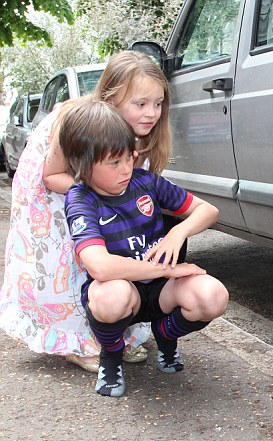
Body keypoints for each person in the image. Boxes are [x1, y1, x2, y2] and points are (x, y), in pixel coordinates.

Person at [0, 51, 172, 373]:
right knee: (70, 267)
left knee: (116, 256)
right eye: (140, 104)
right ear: (111, 97)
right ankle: (78, 342)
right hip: (56, 193)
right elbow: (51, 176)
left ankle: (118, 333)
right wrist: (104, 192)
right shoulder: (79, 119)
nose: (151, 113)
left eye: (158, 103)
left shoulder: (143, 131)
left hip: (102, 190)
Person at [63, 99, 228, 397]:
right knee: (109, 297)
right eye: (114, 163)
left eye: (129, 157)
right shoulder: (80, 199)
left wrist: (177, 232)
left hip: (162, 290)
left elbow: (209, 211)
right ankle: (111, 355)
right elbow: (99, 266)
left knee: (214, 296)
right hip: (124, 291)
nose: (126, 168)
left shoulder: (147, 182)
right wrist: (166, 268)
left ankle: (165, 334)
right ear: (82, 166)